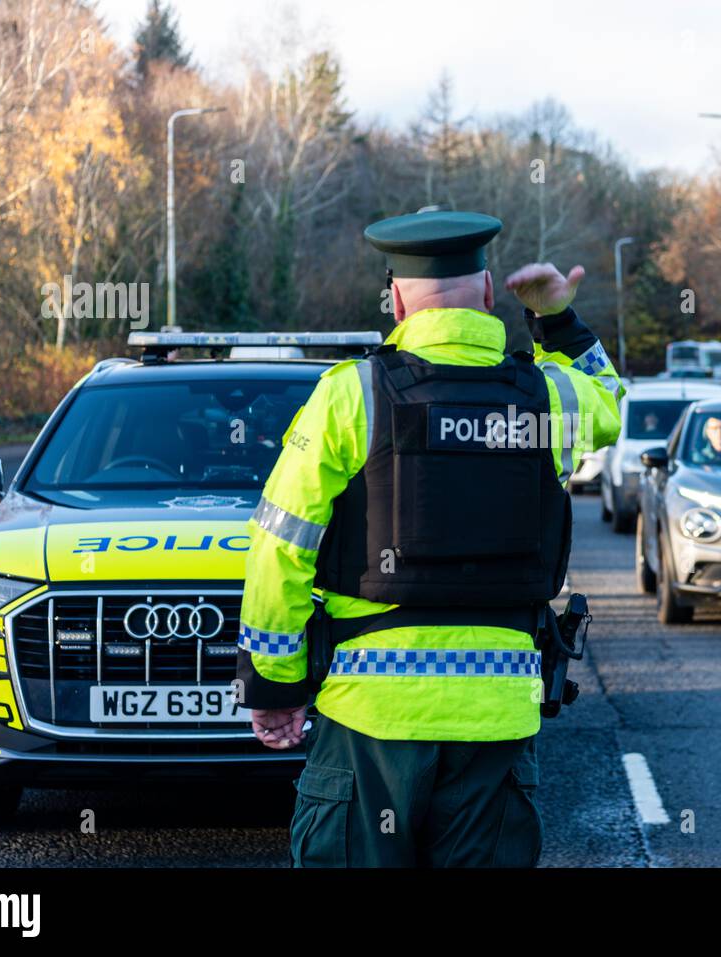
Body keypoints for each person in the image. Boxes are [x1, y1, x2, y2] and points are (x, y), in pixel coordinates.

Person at [236, 209, 623, 867]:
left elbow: (281, 546)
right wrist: (557, 318)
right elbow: (611, 399)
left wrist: (275, 686)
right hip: (498, 717)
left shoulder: (351, 395)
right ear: (490, 291)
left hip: (369, 717)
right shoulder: (551, 398)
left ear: (395, 301)